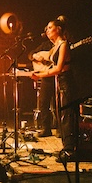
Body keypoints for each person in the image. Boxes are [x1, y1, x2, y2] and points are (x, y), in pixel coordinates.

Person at [31, 16, 78, 158]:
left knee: (66, 115)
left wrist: (41, 74)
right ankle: (66, 146)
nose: (47, 30)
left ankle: (70, 149)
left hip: (66, 82)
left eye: (50, 27)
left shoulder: (63, 44)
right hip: (59, 82)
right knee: (60, 113)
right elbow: (46, 59)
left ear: (58, 29)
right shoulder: (55, 46)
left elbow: (58, 68)